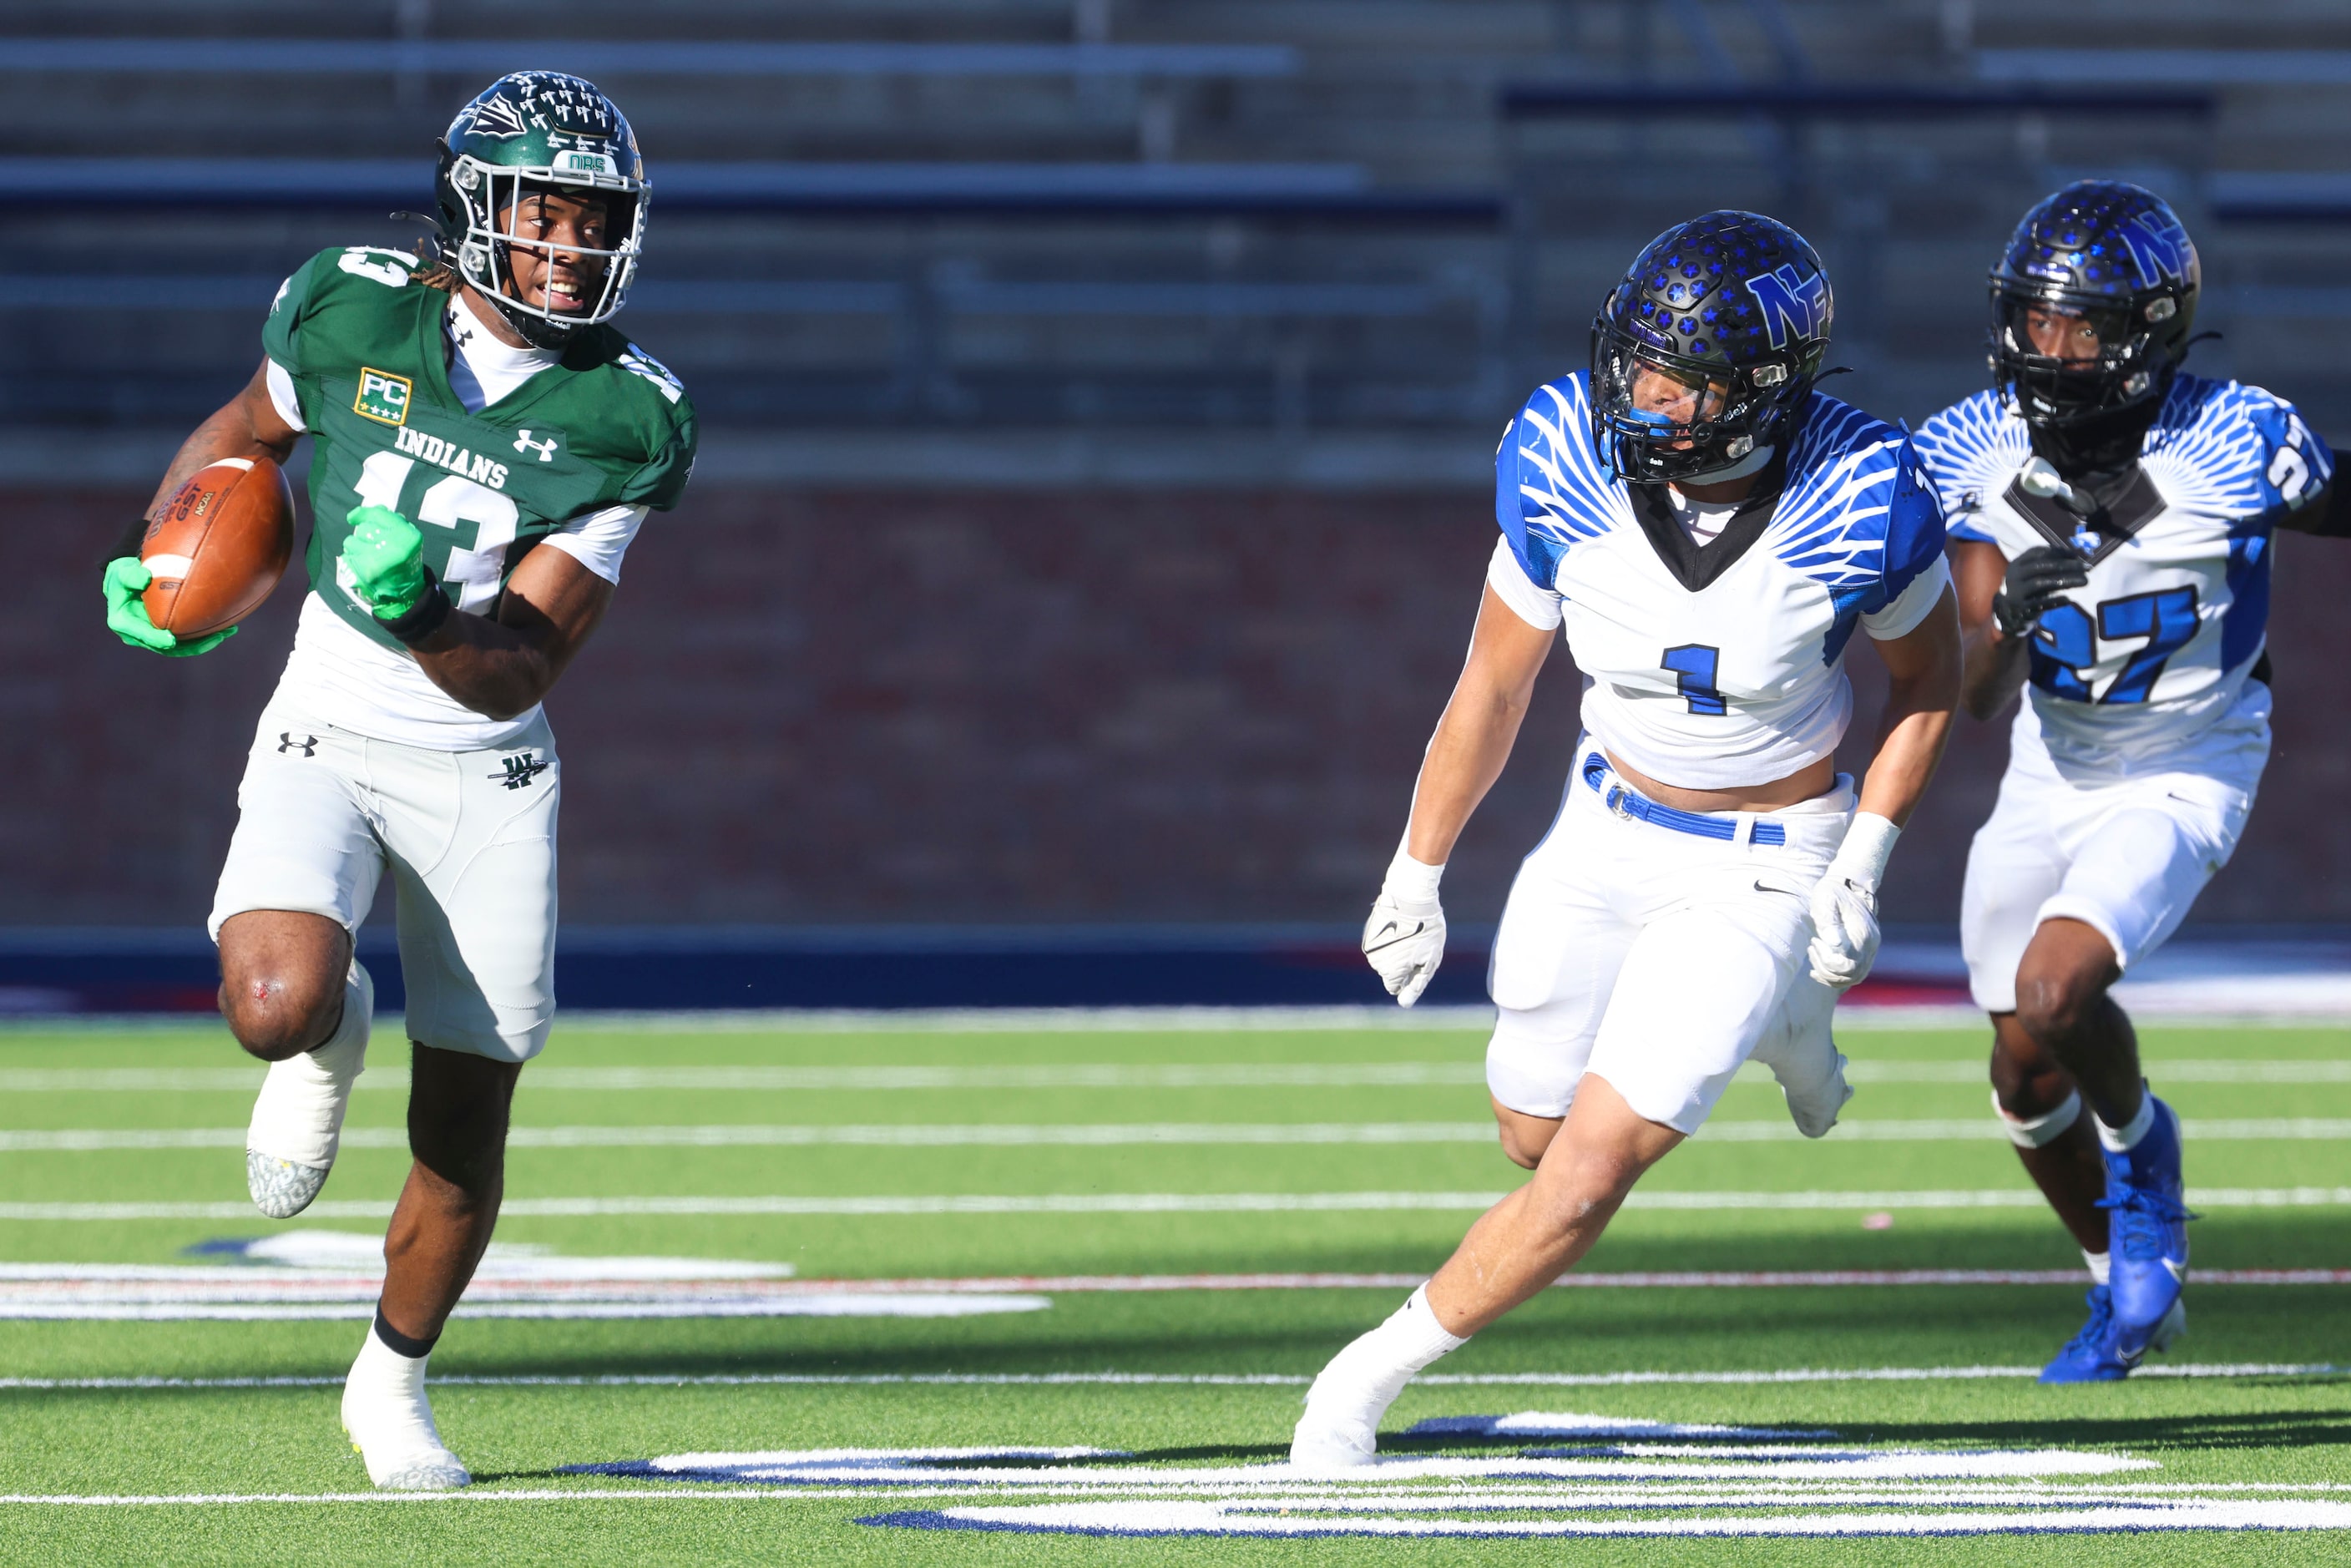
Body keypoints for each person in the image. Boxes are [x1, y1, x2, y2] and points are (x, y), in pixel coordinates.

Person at [97, 72, 695, 1488]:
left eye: (593, 220)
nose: (569, 248)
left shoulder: (629, 414)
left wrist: (425, 610)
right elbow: (246, 436)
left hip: (483, 763)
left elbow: (517, 670)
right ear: (476, 208)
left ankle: (391, 1381)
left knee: (463, 1123)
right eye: (546, 215)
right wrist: (171, 551)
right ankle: (327, 1034)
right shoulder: (350, 301)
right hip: (330, 710)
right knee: (274, 1001)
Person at [1297, 211, 1960, 1466]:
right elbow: (1494, 685)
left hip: (1772, 848)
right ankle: (1786, 1019)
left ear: (1762, 392)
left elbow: (1928, 684)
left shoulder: (1863, 487)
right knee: (1530, 1137)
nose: (1640, 394)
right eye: (1636, 361)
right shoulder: (1561, 452)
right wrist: (1415, 868)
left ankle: (1357, 1381)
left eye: (1679, 377)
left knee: (1590, 1170)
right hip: (1603, 825)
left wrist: (1863, 858)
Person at [1913, 180, 2341, 1382]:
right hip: (2051, 760)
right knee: (2018, 1064)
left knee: (2056, 992)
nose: (2052, 351)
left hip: (2189, 759)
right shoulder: (1966, 449)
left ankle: (2145, 1156)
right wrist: (1999, 618)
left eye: (2082, 326)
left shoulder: (2240, 439)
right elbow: (1980, 690)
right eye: (2036, 322)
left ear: (2149, 333)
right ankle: (2117, 1277)